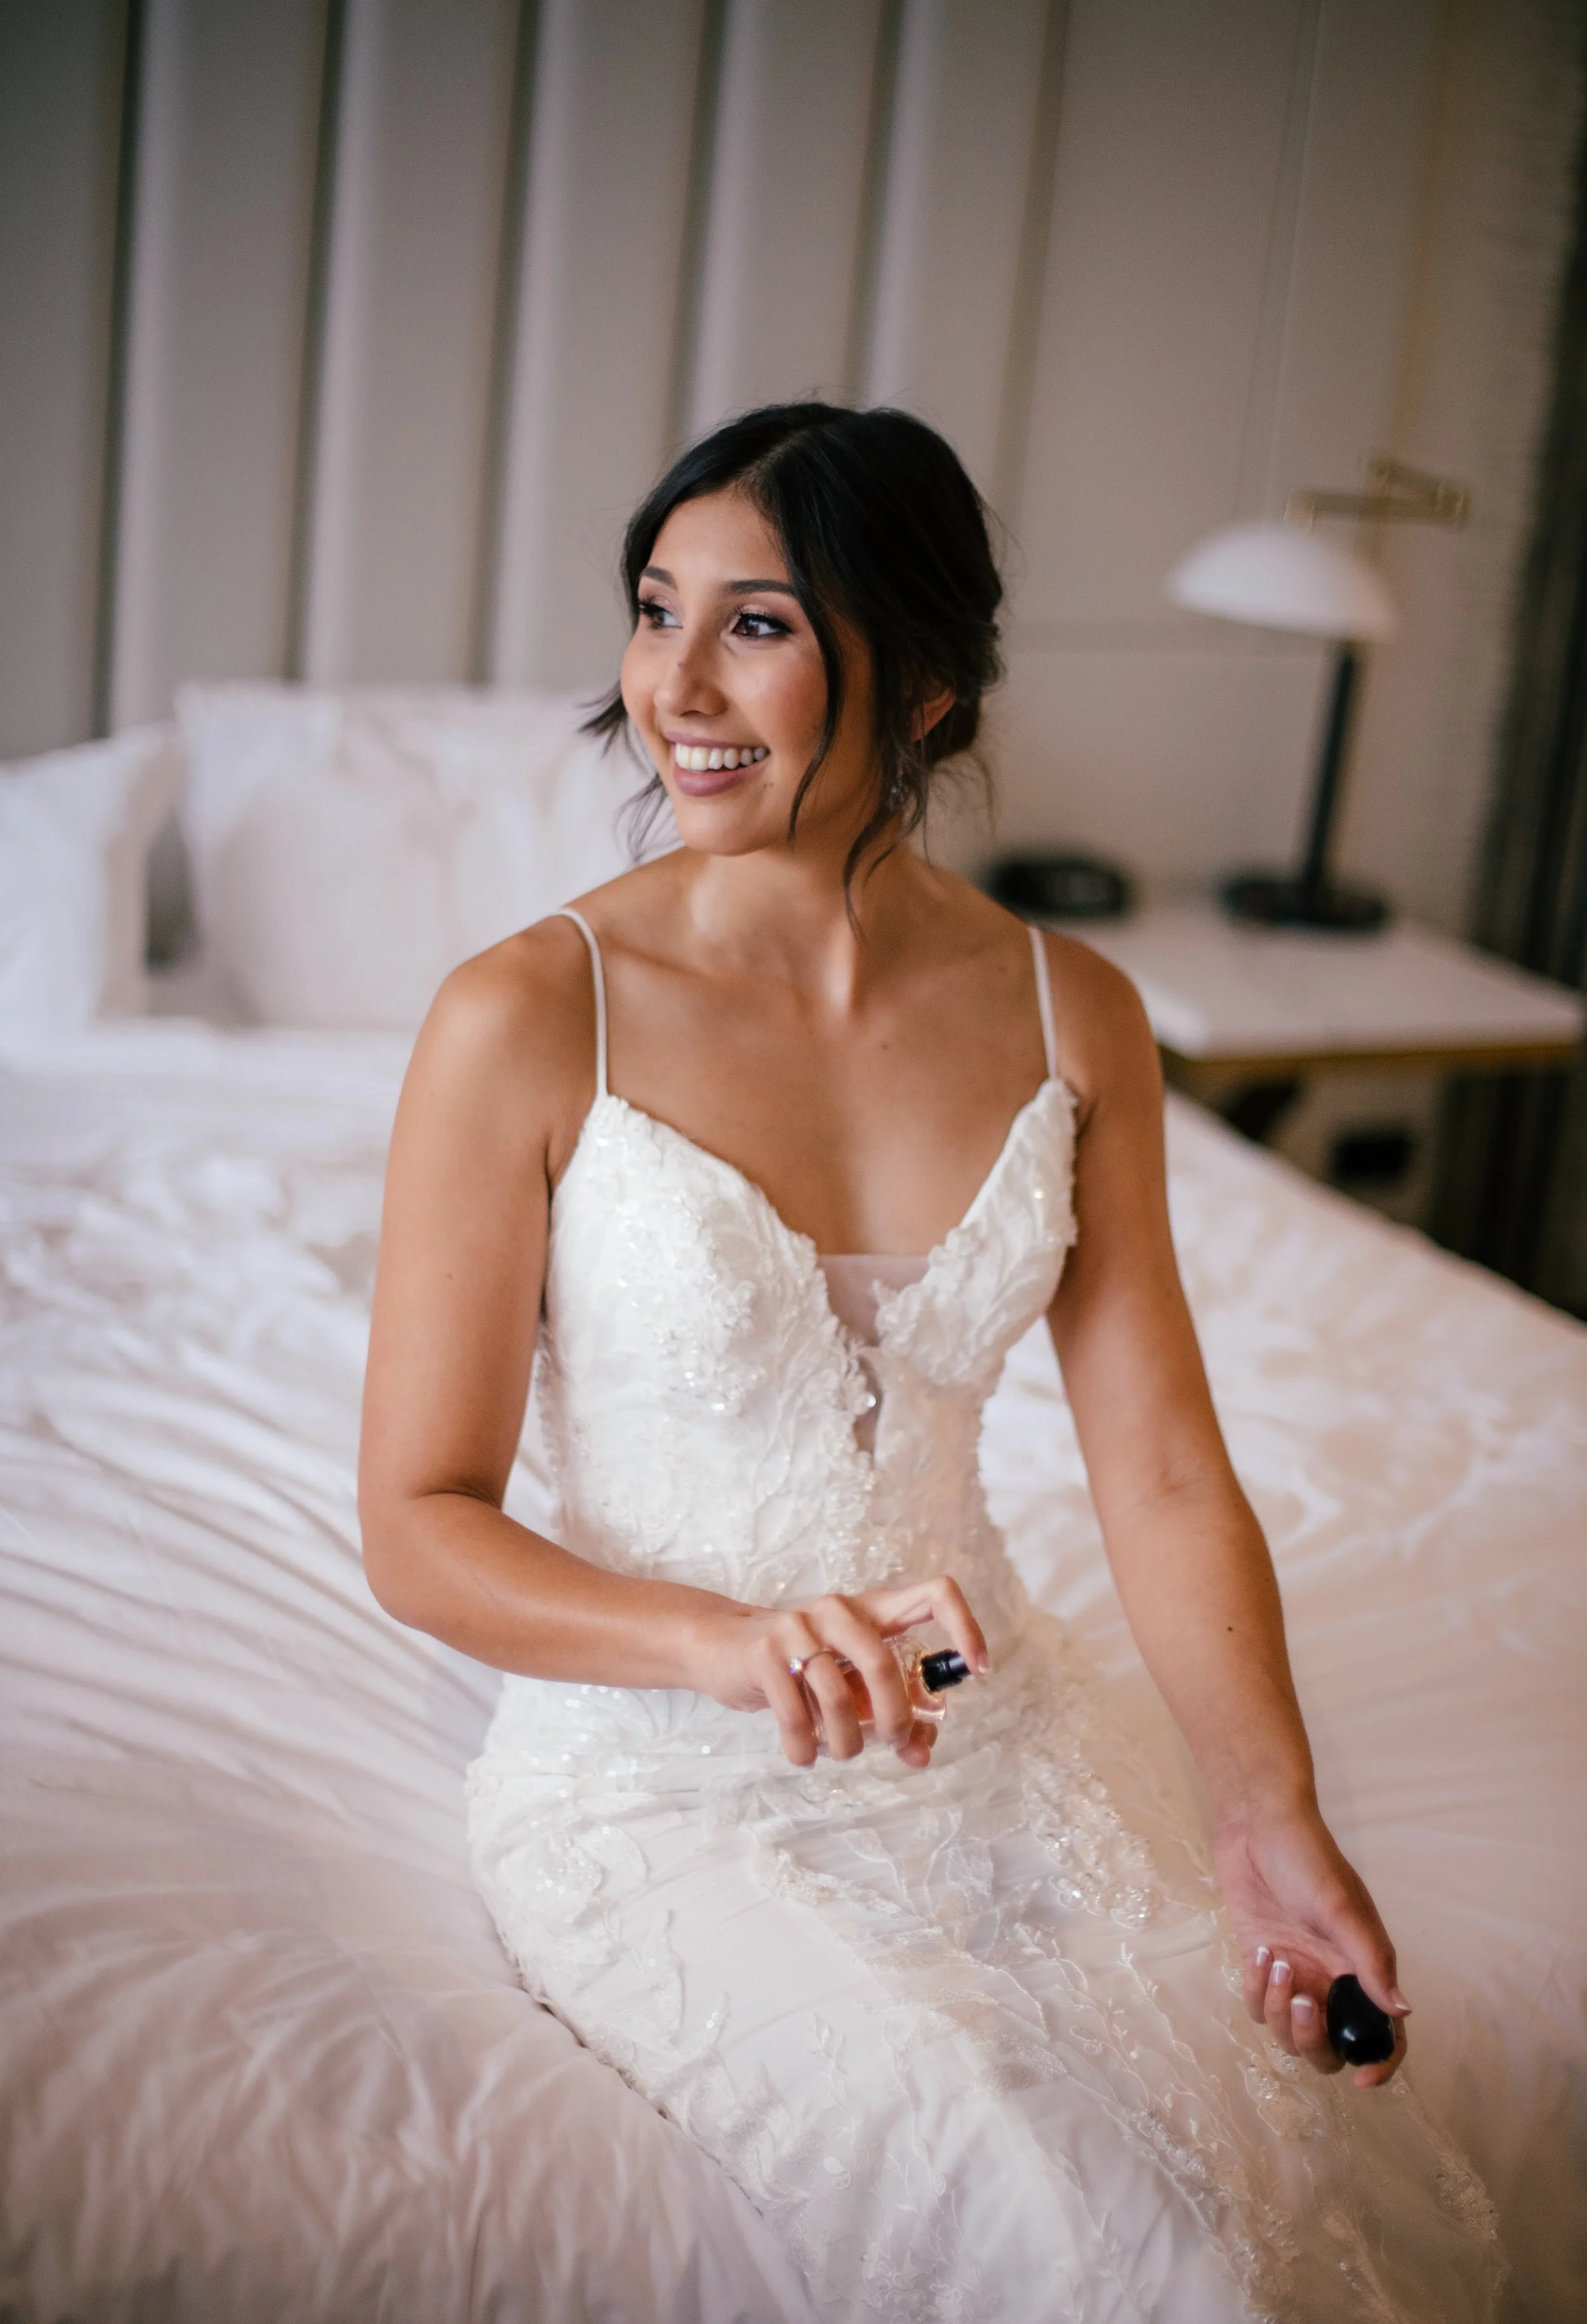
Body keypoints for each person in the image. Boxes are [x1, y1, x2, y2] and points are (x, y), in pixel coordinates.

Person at [359, 403, 1501, 2320]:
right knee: (1069, 2235)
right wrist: (725, 1645)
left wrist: (1267, 1814)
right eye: (657, 611)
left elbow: (1155, 1472)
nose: (676, 683)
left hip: (1001, 1730)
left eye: (761, 624)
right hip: (656, 1770)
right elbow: (417, 1521)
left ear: (932, 691)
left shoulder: (1077, 1011)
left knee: (1246, 2195)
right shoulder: (521, 1012)